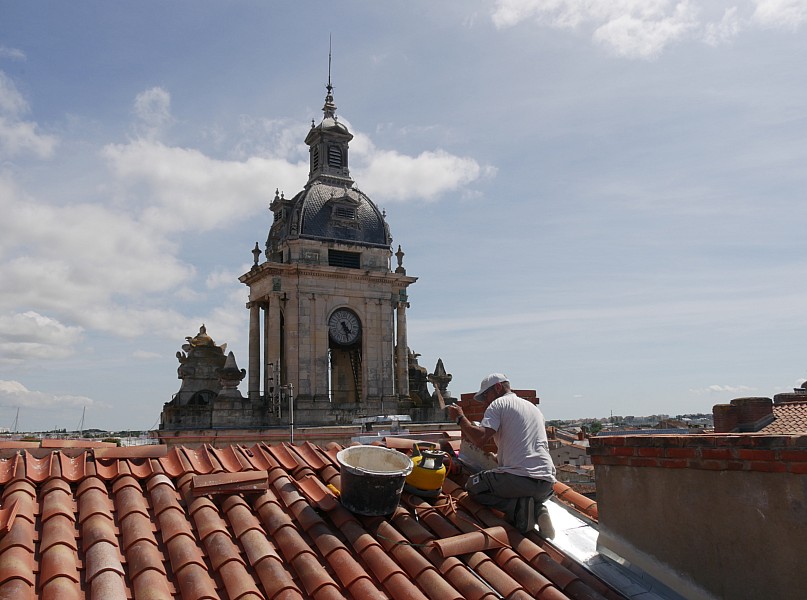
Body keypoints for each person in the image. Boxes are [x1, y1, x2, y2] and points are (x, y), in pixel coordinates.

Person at [447, 373, 556, 537]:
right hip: (546, 486)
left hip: (521, 480)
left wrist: (460, 419)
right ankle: (537, 507)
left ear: (498, 388)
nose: (485, 402)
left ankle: (519, 508)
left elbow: (479, 439)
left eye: (486, 396)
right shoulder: (533, 408)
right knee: (511, 481)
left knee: (473, 487)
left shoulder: (498, 404)